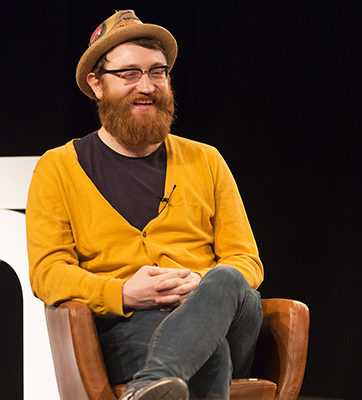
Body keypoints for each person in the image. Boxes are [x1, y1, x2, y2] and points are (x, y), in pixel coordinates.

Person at [27, 10, 264, 400]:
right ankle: (157, 379)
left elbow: (246, 260)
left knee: (227, 280)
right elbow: (48, 272)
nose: (147, 86)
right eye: (129, 74)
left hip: (224, 316)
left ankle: (149, 383)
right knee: (210, 353)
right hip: (129, 325)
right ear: (97, 84)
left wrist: (199, 287)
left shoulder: (206, 159)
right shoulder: (58, 167)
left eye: (158, 72)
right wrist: (122, 293)